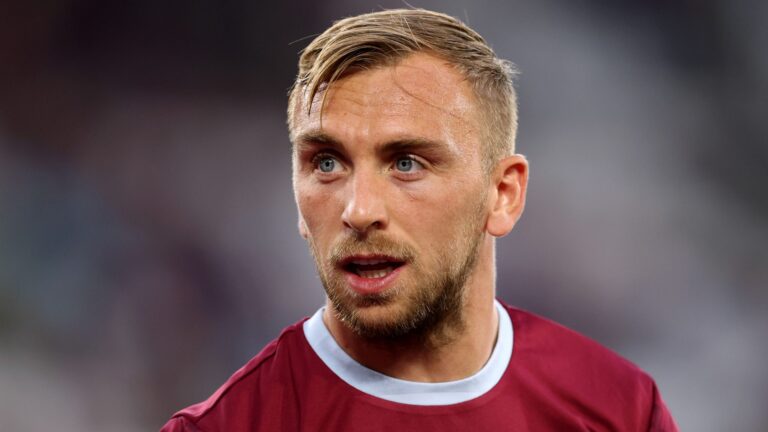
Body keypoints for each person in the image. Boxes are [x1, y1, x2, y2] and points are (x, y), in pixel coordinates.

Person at [161, 8, 677, 431]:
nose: (359, 210)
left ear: (503, 194)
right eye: (327, 163)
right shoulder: (227, 426)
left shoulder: (622, 411)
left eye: (406, 163)